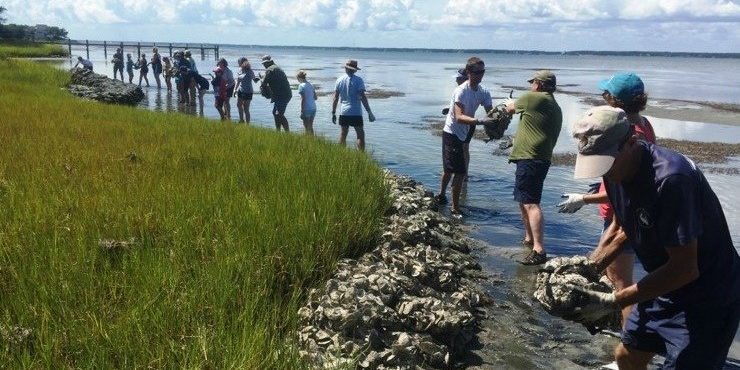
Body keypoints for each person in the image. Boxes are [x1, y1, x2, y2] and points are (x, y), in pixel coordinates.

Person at [570, 105, 740, 370]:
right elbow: (621, 228)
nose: (605, 173)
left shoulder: (671, 179)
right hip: (663, 286)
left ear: (632, 142)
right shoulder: (616, 171)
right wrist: (587, 270)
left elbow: (685, 268)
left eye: (606, 162)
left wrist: (614, 300)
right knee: (627, 356)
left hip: (708, 295)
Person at [556, 72, 657, 323]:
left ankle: (627, 340)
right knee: (617, 279)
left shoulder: (627, 134)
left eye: (606, 95)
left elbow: (625, 192)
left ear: (613, 100)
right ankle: (622, 330)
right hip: (625, 216)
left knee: (621, 283)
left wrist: (583, 199)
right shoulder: (645, 124)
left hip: (621, 218)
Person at [503, 70, 562, 265]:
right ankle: (529, 239)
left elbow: (509, 108)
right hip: (539, 158)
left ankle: (539, 249)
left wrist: (507, 104)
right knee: (524, 199)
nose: (531, 86)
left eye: (533, 83)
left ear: (538, 84)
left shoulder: (533, 98)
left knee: (531, 203)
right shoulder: (554, 105)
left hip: (531, 157)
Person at [434, 57, 494, 216]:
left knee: (454, 169)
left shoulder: (483, 92)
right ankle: (453, 207)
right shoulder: (461, 90)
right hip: (452, 132)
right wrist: (481, 121)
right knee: (455, 171)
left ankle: (444, 198)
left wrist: (500, 119)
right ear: (468, 72)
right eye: (477, 72)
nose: (480, 75)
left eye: (483, 72)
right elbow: (459, 116)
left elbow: (492, 113)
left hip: (466, 131)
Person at [331, 59, 375, 150]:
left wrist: (333, 112)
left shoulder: (339, 80)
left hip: (343, 112)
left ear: (346, 68)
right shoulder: (359, 80)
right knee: (360, 135)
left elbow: (335, 98)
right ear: (355, 70)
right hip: (355, 112)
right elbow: (362, 97)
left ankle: (340, 153)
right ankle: (361, 156)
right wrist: (369, 112)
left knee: (343, 134)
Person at [260, 55, 292, 132]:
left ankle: (287, 133)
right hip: (283, 94)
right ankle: (278, 131)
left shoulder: (270, 69)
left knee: (278, 114)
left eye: (264, 63)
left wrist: (261, 79)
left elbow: (263, 84)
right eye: (263, 64)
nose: (264, 65)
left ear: (269, 62)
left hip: (282, 95)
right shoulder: (276, 67)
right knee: (275, 113)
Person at [234, 59, 257, 124]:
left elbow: (255, 80)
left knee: (246, 108)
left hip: (248, 91)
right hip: (241, 90)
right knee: (239, 105)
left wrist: (259, 78)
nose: (244, 66)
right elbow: (238, 81)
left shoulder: (250, 71)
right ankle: (241, 120)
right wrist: (235, 90)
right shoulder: (240, 70)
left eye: (246, 65)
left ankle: (247, 124)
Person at [297, 70, 317, 135]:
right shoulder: (311, 85)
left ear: (299, 78)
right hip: (313, 107)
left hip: (306, 108)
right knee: (310, 126)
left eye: (297, 79)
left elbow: (303, 99)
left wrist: (302, 110)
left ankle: (307, 142)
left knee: (306, 127)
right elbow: (315, 97)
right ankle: (312, 140)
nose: (297, 80)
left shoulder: (301, 86)